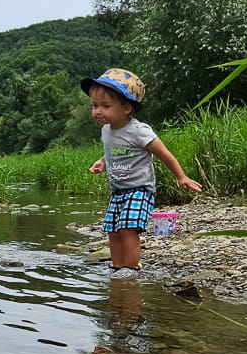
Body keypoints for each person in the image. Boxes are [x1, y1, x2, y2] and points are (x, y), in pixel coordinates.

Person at [82, 68, 201, 278]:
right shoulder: (106, 130)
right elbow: (112, 152)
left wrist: (181, 176)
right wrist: (102, 162)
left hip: (139, 189)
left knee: (128, 228)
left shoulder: (139, 131)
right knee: (113, 230)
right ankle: (117, 268)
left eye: (105, 106)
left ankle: (131, 267)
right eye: (95, 106)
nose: (97, 111)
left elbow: (164, 153)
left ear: (126, 107)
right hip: (118, 191)